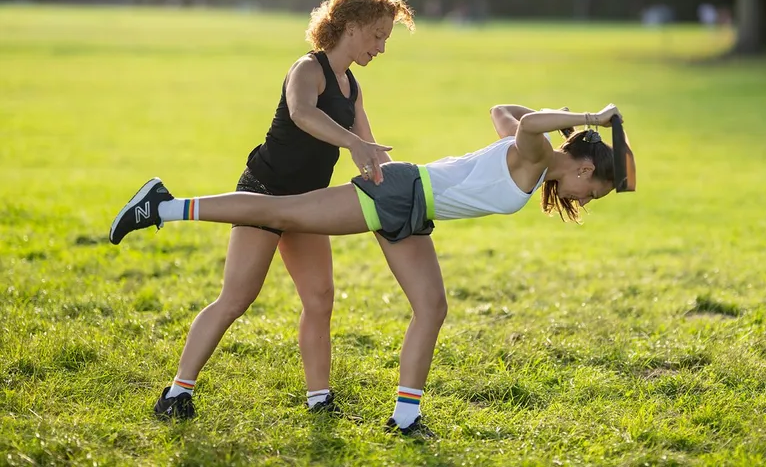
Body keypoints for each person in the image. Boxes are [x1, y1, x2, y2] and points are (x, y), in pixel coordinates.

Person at [109, 103, 636, 437]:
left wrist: (569, 121)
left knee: (432, 306)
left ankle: (406, 417)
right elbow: (522, 120)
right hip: (398, 193)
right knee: (279, 212)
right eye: (592, 191)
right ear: (586, 167)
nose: (583, 200)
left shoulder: (535, 154)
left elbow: (504, 111)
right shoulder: (534, 154)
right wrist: (586, 118)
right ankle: (162, 207)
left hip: (412, 211)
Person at [118, 0, 416, 422]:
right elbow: (302, 112)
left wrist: (384, 174)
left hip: (305, 205)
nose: (382, 47)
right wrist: (353, 144)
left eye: (385, 39)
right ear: (351, 26)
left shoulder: (352, 87)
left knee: (320, 298)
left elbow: (366, 147)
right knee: (236, 299)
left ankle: (320, 401)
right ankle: (176, 393)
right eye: (378, 35)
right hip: (264, 192)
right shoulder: (308, 69)